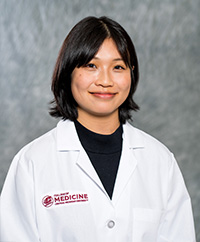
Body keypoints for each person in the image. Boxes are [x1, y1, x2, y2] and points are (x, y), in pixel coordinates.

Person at [0, 16, 196, 242]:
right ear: (68, 71)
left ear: (131, 74)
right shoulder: (31, 163)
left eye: (118, 67)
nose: (105, 80)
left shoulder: (160, 161)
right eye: (91, 65)